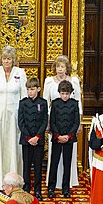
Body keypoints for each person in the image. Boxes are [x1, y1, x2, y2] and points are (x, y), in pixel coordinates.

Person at [0, 46, 27, 187]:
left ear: (13, 60)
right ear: (0, 60)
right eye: (4, 59)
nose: (6, 61)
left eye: (9, 59)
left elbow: (24, 95)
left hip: (14, 114)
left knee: (12, 143)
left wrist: (24, 115)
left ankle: (13, 179)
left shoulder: (20, 72)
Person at [42, 56, 82, 196]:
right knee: (54, 161)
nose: (60, 69)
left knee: (67, 163)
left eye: (63, 67)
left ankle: (66, 187)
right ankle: (52, 187)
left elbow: (77, 118)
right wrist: (56, 134)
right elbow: (50, 114)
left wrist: (70, 134)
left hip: (69, 135)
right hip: (56, 134)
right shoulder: (55, 100)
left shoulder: (74, 93)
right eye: (58, 67)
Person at [16, 77, 48, 196]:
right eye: (28, 89)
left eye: (32, 89)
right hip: (26, 140)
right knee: (26, 166)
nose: (30, 92)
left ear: (38, 89)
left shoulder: (43, 103)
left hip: (38, 141)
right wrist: (29, 138)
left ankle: (38, 190)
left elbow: (44, 121)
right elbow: (21, 122)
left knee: (38, 166)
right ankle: (26, 189)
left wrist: (37, 136)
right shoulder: (23, 103)